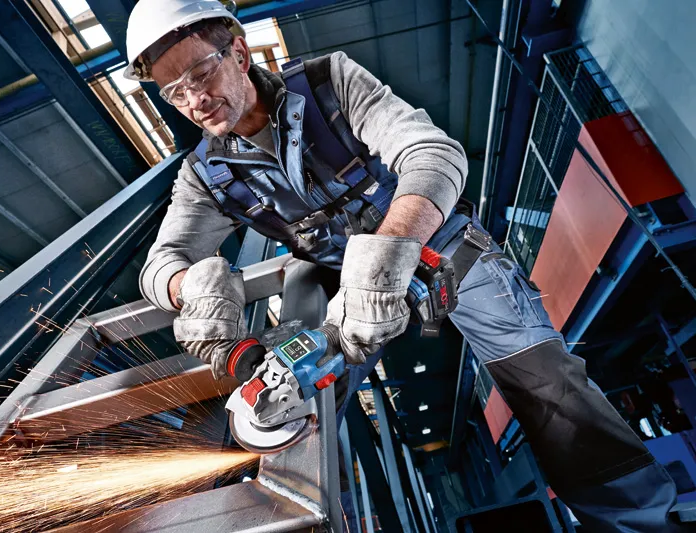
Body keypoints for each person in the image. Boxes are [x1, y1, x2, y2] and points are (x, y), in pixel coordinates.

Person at [124, 0, 682, 530]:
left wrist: (392, 247)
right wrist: (187, 285)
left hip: (437, 249)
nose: (193, 99)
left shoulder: (327, 84)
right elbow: (162, 262)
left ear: (240, 54)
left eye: (199, 73)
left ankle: (640, 524)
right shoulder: (203, 173)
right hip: (340, 290)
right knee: (280, 410)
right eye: (174, 92)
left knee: (550, 388)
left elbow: (430, 152)